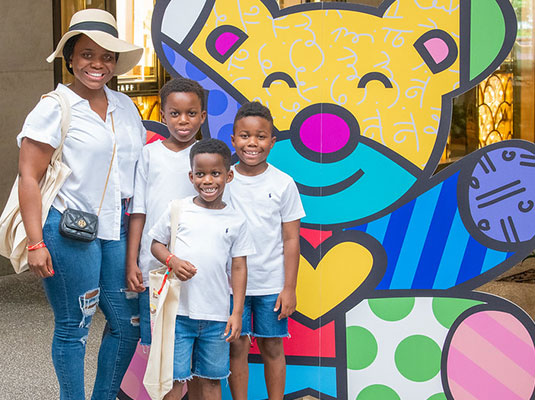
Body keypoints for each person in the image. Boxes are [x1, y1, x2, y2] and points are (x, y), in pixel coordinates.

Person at [17, 9, 145, 400]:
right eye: (88, 54)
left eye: (107, 57)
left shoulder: (125, 106)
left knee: (128, 325)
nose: (98, 64)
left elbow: (137, 170)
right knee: (75, 325)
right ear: (71, 58)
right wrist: (36, 242)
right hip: (69, 231)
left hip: (117, 228)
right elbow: (29, 177)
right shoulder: (55, 107)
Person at [150, 139, 254, 400]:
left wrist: (237, 312)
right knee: (173, 382)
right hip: (178, 315)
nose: (208, 181)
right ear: (191, 176)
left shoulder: (236, 219)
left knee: (211, 381)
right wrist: (172, 260)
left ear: (228, 176)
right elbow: (156, 245)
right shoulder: (179, 210)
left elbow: (239, 267)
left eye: (216, 173)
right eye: (201, 174)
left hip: (217, 318)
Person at [226, 102, 305, 400]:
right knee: (238, 347)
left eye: (261, 136)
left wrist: (289, 288)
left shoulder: (283, 183)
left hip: (271, 285)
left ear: (272, 142)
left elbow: (291, 240)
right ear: (233, 140)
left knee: (272, 347)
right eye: (245, 135)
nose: (252, 143)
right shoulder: (223, 181)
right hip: (232, 286)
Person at [126, 78, 206, 347]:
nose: (183, 120)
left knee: (196, 347)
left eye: (191, 113)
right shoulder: (149, 155)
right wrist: (132, 260)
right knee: (159, 351)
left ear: (203, 116)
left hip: (199, 267)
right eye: (175, 113)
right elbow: (139, 212)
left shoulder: (209, 157)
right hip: (154, 268)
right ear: (163, 116)